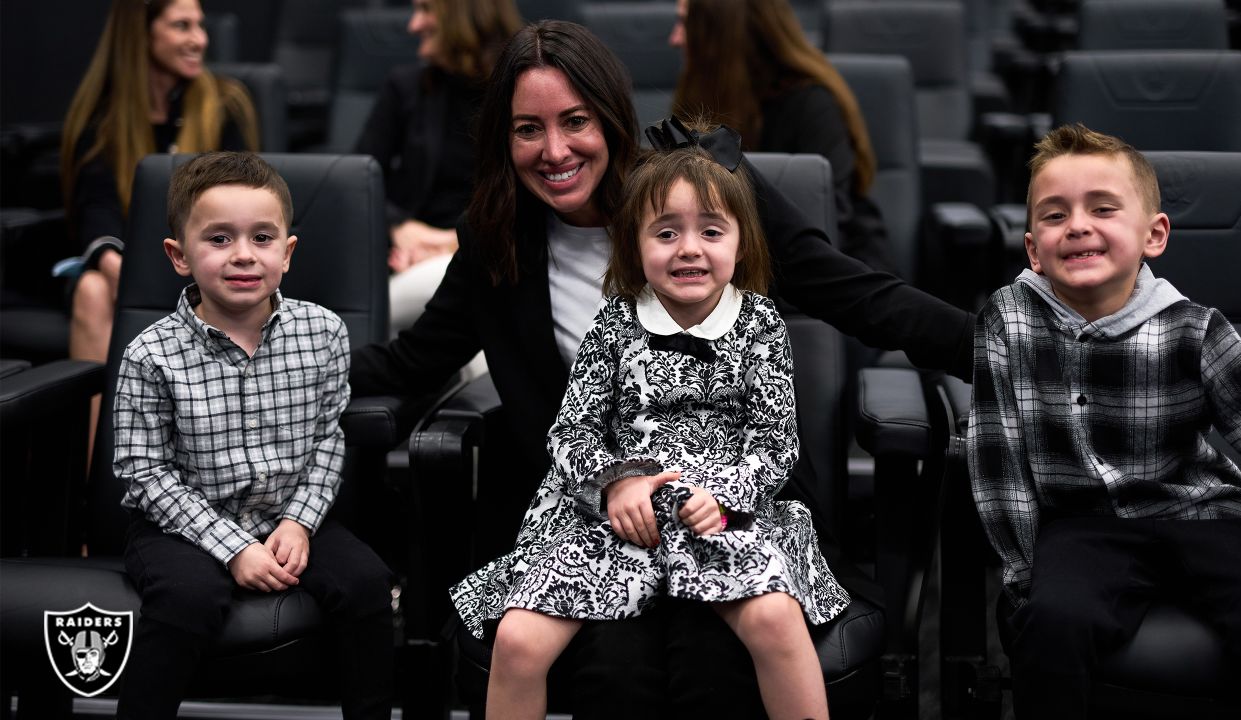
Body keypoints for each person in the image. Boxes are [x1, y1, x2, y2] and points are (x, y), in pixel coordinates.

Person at [351, 20, 973, 716]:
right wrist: (287, 355)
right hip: (595, 522)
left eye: (575, 121)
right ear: (504, 137)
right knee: (614, 673)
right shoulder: (500, 237)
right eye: (528, 128)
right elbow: (414, 360)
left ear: (612, 117)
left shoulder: (698, 195)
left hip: (731, 514)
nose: (554, 150)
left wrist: (998, 348)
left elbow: (858, 294)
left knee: (714, 662)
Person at [452, 142, 848, 719]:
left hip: (719, 514)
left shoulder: (761, 323)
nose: (689, 248)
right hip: (615, 519)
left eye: (712, 231)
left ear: (742, 244)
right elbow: (572, 430)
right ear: (635, 246)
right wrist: (618, 480)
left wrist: (724, 497)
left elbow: (774, 441)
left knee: (774, 619)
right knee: (517, 640)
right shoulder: (615, 320)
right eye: (665, 233)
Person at [967, 124, 1241, 719]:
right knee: (1054, 623)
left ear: (1153, 235)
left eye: (1103, 209)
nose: (1078, 225)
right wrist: (1023, 570)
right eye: (1055, 216)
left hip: (1202, 512)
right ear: (1033, 248)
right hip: (1082, 527)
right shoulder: (1007, 322)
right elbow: (997, 461)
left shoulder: (1193, 327)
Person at [112, 152, 393, 720]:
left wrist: (300, 522)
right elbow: (143, 473)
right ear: (179, 256)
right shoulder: (150, 353)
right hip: (180, 525)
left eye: (262, 237)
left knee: (366, 584)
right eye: (218, 239)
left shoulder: (323, 333)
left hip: (287, 514)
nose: (243, 254)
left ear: (287, 253)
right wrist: (232, 547)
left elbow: (327, 440)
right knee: (188, 597)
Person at [60, 0, 258, 454]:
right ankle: (99, 475)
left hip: (204, 264)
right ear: (141, 35)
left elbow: (244, 200)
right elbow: (96, 208)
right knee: (91, 289)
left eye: (201, 26)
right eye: (182, 26)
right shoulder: (104, 116)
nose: (200, 40)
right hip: (125, 265)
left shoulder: (224, 103)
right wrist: (118, 269)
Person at [669, 0, 896, 274]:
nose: (675, 38)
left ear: (723, 32)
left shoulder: (811, 104)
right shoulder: (704, 91)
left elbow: (822, 222)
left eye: (685, 23)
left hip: (820, 273)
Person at [353, 0, 523, 331]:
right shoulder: (405, 87)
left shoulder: (522, 91)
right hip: (409, 256)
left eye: (426, 9)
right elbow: (355, 180)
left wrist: (457, 243)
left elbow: (539, 192)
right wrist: (401, 229)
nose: (413, 25)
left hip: (496, 252)